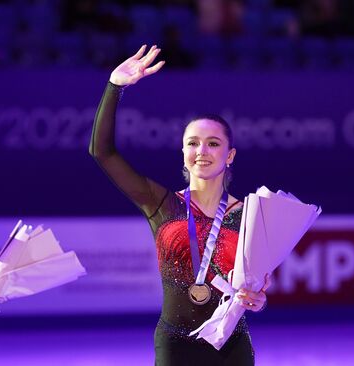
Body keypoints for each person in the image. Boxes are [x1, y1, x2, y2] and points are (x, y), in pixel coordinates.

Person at [89, 45, 270, 365]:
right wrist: (114, 87)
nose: (202, 150)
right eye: (193, 142)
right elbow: (102, 152)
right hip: (175, 344)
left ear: (230, 156)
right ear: (183, 152)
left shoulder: (250, 215)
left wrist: (258, 299)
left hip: (231, 343)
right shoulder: (162, 204)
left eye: (213, 143)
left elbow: (258, 286)